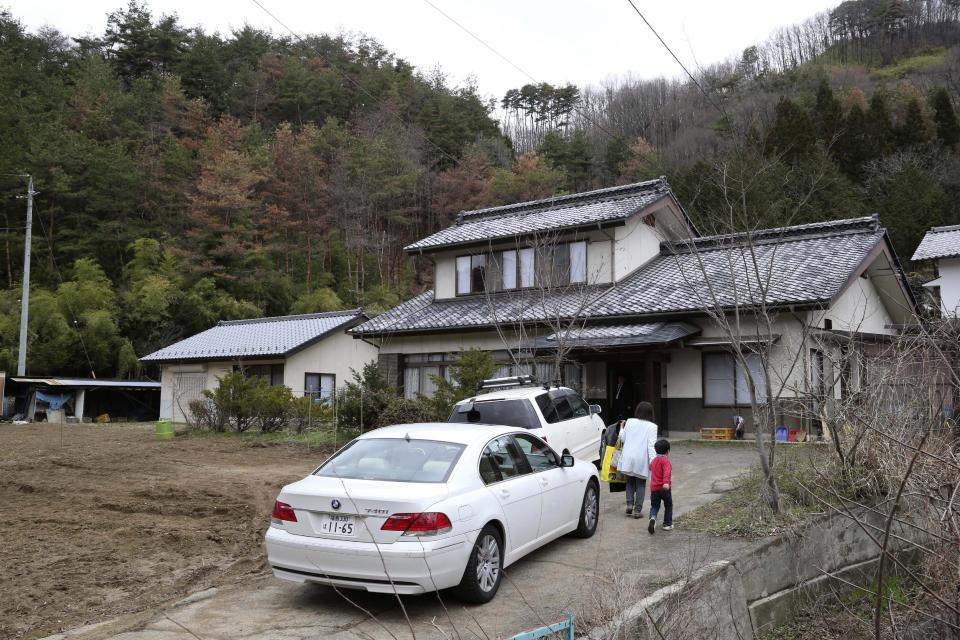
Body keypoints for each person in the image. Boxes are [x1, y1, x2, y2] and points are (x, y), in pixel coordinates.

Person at [617, 401, 658, 519]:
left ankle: (629, 504)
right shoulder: (653, 427)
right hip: (641, 459)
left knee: (630, 481)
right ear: (651, 413)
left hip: (628, 457)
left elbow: (622, 438)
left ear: (638, 411)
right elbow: (651, 446)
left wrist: (621, 428)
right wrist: (653, 463)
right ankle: (637, 510)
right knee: (640, 484)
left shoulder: (629, 421)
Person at [647, 439, 673, 534]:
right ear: (668, 451)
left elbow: (650, 467)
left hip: (654, 488)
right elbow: (667, 472)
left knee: (654, 506)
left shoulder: (655, 460)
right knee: (668, 505)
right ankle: (667, 524)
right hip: (664, 488)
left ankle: (653, 518)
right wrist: (666, 482)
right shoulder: (666, 461)